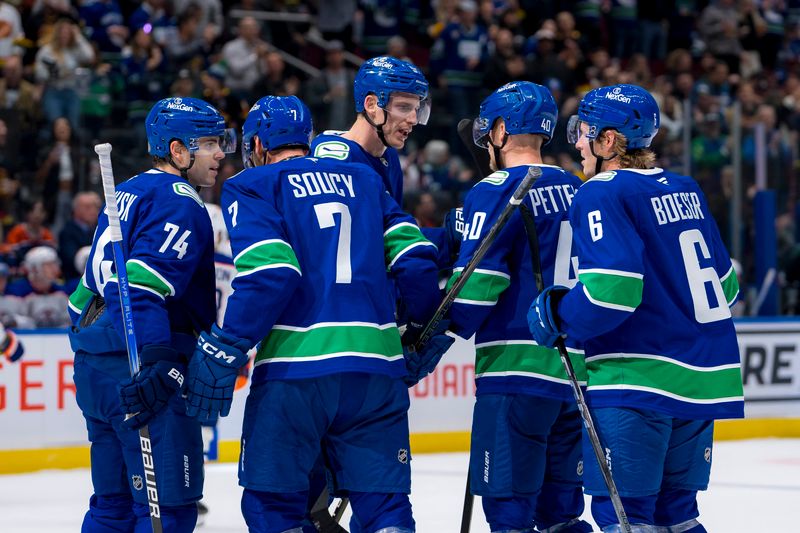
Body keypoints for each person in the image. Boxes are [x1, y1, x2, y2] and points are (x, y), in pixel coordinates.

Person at [184, 95, 452, 532]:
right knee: (384, 508)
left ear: (256, 145)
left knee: (275, 508)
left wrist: (227, 343)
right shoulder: (365, 180)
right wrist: (421, 330)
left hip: (297, 372)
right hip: (376, 371)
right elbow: (417, 259)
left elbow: (271, 273)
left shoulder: (253, 185)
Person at [528, 84, 744, 533]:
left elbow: (612, 292)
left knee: (624, 519)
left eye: (584, 133)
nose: (578, 145)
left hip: (637, 381)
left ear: (609, 141)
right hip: (702, 383)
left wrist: (559, 318)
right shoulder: (685, 188)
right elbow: (728, 287)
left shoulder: (601, 192)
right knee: (678, 517)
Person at [67, 96, 235, 532]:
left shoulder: (125, 193)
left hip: (97, 365)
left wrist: (94, 352)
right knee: (168, 513)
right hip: (144, 370)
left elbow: (80, 298)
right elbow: (141, 285)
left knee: (111, 508)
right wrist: (159, 360)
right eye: (210, 143)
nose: (221, 153)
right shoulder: (180, 200)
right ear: (178, 151)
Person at [447, 81, 591, 533]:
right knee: (561, 516)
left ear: (501, 131)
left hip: (515, 372)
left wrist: (431, 341)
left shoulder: (496, 188)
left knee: (510, 514)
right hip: (575, 374)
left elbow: (477, 285)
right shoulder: (581, 188)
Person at [309, 55, 457, 269]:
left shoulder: (389, 156)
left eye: (416, 109)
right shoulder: (333, 158)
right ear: (371, 104)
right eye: (404, 107)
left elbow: (388, 237)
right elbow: (363, 244)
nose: (413, 119)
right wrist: (446, 240)